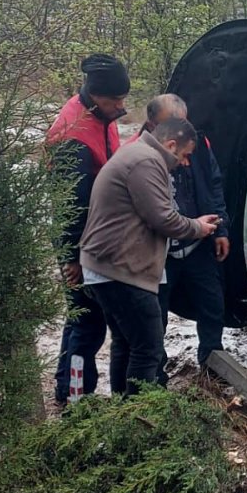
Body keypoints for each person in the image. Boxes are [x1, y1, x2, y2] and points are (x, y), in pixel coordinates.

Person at [78, 117, 220, 395]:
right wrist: (198, 228)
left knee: (126, 344)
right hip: (121, 271)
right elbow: (163, 218)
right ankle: (139, 418)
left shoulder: (135, 153)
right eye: (184, 155)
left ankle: (124, 414)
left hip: (104, 267)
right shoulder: (147, 161)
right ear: (170, 145)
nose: (185, 162)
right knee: (149, 349)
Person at [47, 54, 131, 405]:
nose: (121, 106)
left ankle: (66, 384)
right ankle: (76, 397)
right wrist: (74, 258)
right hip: (81, 244)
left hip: (93, 239)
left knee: (80, 317)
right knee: (88, 324)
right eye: (116, 100)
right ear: (97, 95)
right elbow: (70, 207)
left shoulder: (98, 115)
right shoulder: (74, 137)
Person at [142, 95, 231, 367]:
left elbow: (213, 186)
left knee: (213, 304)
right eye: (171, 125)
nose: (179, 133)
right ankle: (154, 380)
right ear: (152, 124)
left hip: (197, 243)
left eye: (183, 123)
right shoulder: (140, 154)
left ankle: (211, 363)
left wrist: (220, 229)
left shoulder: (198, 144)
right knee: (155, 317)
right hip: (160, 250)